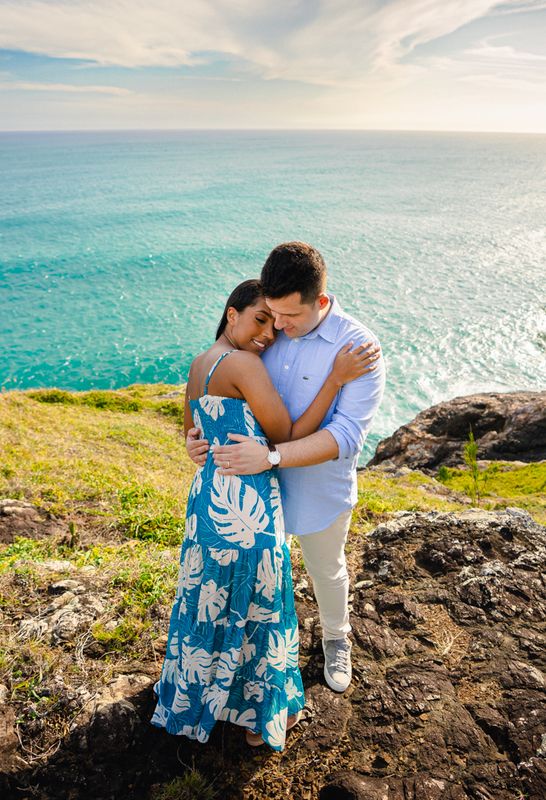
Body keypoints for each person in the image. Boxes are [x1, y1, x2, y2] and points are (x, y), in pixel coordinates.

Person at [152, 279, 379, 751]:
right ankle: (260, 718)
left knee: (210, 599)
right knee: (260, 607)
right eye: (260, 319)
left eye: (274, 323)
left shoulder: (200, 362)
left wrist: (196, 445)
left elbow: (193, 430)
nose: (270, 333)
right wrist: (335, 380)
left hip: (209, 497)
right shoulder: (245, 363)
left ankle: (201, 698)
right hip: (249, 503)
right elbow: (289, 431)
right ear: (231, 314)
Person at [187, 242, 386, 696]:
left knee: (325, 569)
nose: (278, 327)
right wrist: (196, 436)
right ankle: (252, 665)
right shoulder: (266, 335)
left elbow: (348, 436)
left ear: (320, 301)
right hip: (253, 493)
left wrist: (272, 455)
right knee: (263, 585)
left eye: (290, 316)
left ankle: (337, 638)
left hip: (315, 488)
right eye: (271, 314)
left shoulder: (357, 347)